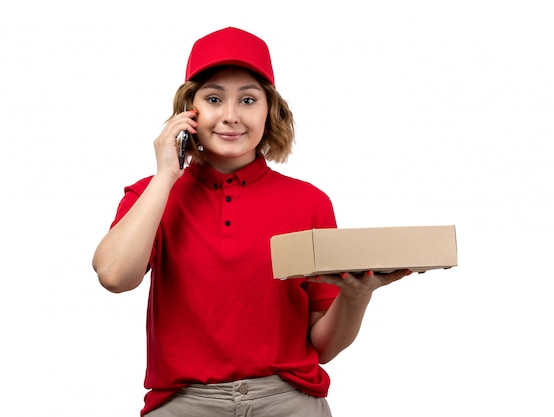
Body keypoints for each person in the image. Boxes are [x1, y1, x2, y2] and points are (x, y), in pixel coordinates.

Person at [92, 26, 411, 417]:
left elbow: (323, 347)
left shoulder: (308, 202)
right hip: (183, 404)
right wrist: (165, 176)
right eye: (213, 98)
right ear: (188, 112)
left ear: (269, 111)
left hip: (288, 401)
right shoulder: (152, 195)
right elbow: (113, 276)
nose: (230, 116)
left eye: (247, 99)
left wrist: (357, 296)